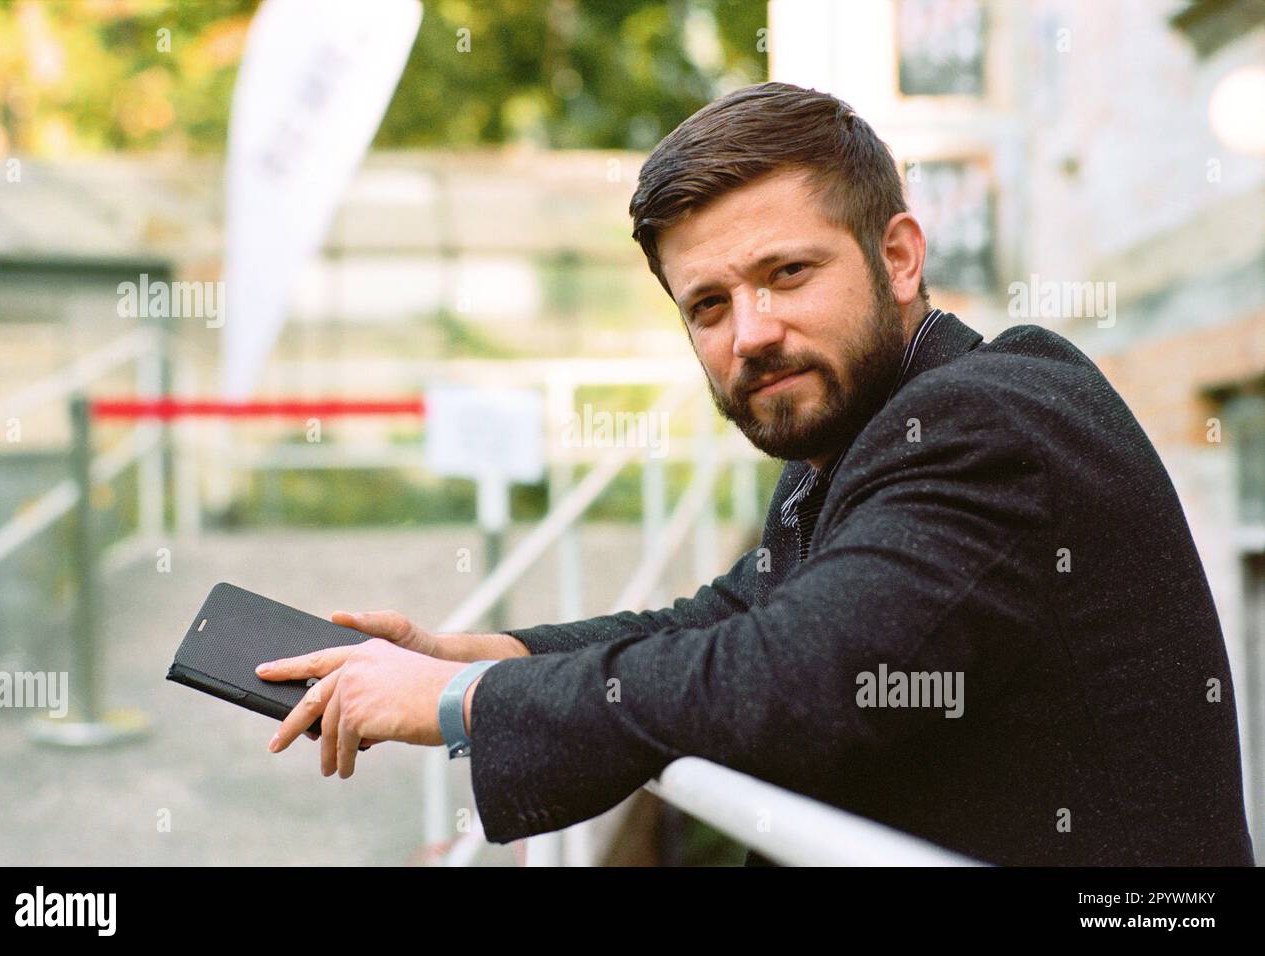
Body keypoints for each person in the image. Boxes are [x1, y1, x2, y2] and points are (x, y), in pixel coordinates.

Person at [256, 82, 1255, 867]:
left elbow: (798, 675)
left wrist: (457, 699)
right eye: (708, 304)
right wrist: (480, 649)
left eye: (788, 273)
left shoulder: (980, 417)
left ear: (899, 255)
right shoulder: (861, 433)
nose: (753, 333)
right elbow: (726, 616)